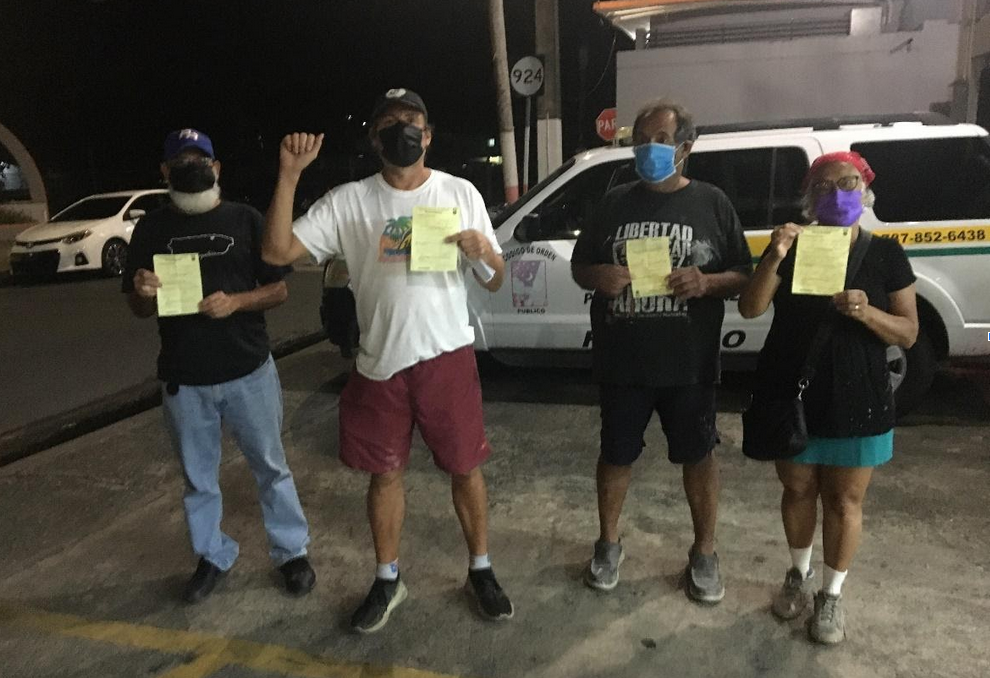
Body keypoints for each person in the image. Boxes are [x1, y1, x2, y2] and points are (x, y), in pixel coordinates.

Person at [261, 89, 513, 633]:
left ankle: (481, 569)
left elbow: (496, 279)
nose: (403, 129)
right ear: (375, 138)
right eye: (390, 123)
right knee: (385, 476)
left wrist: (484, 253)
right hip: (379, 363)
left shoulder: (459, 192)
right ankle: (387, 577)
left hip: (446, 356)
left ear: (428, 135)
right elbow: (278, 253)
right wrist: (288, 174)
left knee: (466, 469)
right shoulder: (349, 201)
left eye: (413, 122)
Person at [571, 99, 752, 603]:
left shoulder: (713, 203)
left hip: (689, 365)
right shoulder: (613, 202)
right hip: (623, 362)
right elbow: (581, 265)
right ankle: (608, 544)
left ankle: (705, 552)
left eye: (658, 139)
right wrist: (597, 276)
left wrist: (706, 280)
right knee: (615, 455)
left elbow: (744, 275)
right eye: (639, 141)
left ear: (685, 148)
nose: (646, 149)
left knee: (698, 457)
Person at [123, 128, 315, 604]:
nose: (192, 166)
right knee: (198, 479)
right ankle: (212, 555)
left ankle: (291, 552)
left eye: (200, 158)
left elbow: (280, 290)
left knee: (271, 467)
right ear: (165, 172)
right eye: (181, 160)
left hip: (248, 371)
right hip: (184, 380)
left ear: (217, 168)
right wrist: (142, 290)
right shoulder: (150, 229)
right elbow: (138, 307)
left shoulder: (247, 219)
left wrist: (237, 302)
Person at [738, 151, 918, 644]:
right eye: (825, 185)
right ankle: (798, 573)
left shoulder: (885, 255)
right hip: (790, 392)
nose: (838, 193)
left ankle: (832, 596)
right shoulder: (792, 246)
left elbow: (908, 333)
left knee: (845, 500)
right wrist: (774, 253)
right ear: (808, 197)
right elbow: (751, 308)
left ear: (866, 191)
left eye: (849, 182)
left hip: (858, 399)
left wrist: (866, 313)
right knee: (797, 490)